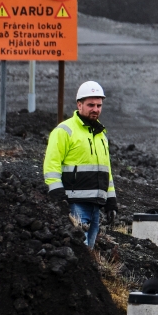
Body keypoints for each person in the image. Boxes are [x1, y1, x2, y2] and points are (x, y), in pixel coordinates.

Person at [44, 81, 117, 248]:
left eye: (99, 105)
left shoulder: (101, 135)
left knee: (88, 251)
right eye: (91, 105)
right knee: (80, 249)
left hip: (95, 205)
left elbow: (107, 172)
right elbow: (51, 163)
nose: (95, 109)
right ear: (79, 104)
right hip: (74, 202)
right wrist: (56, 192)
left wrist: (111, 200)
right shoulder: (64, 130)